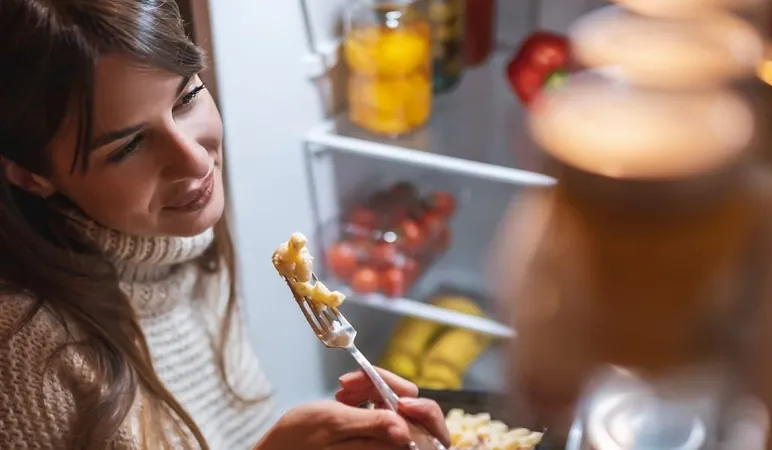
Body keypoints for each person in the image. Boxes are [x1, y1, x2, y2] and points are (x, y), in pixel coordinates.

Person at [0, 1, 449, 449]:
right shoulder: (23, 356)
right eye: (129, 145)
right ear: (30, 176)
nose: (195, 160)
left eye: (187, 98)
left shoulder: (189, 245)